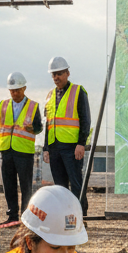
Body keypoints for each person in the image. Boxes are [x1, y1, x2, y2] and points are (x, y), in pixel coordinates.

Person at [0, 70, 42, 226]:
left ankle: (26, 216)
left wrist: (33, 128)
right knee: (9, 185)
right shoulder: (4, 105)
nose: (14, 93)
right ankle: (12, 216)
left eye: (17, 90)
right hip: (7, 151)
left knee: (25, 186)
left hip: (24, 152)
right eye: (12, 90)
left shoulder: (33, 106)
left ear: (24, 88)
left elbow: (39, 127)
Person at [43, 55, 91, 216]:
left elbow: (85, 119)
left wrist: (81, 143)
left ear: (67, 73)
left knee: (76, 183)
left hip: (72, 147)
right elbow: (48, 123)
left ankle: (80, 215)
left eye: (59, 73)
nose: (56, 77)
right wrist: (46, 148)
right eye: (53, 74)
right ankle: (65, 217)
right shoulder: (49, 95)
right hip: (55, 147)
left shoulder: (78, 91)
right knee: (60, 187)